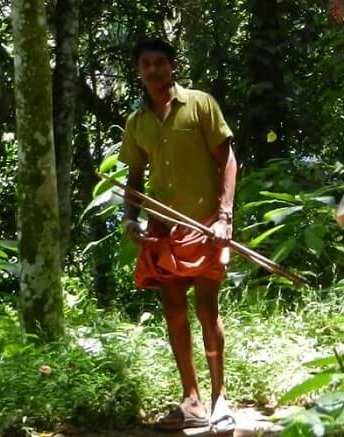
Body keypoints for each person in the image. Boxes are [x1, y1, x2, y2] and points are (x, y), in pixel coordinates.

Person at [121, 37, 238, 434]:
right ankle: (192, 399)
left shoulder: (201, 104)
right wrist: (130, 220)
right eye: (145, 64)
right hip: (162, 230)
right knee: (173, 310)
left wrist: (224, 217)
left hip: (205, 225)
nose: (152, 70)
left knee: (207, 310)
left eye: (159, 63)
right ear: (139, 71)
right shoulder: (137, 124)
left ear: (173, 66)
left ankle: (221, 398)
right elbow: (134, 180)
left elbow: (227, 161)